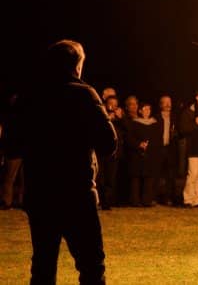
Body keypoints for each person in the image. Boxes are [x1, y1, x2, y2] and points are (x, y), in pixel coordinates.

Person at [6, 40, 117, 283]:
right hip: (77, 193)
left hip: (40, 193)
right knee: (91, 266)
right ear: (77, 66)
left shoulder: (29, 96)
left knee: (43, 265)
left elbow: (11, 145)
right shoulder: (84, 94)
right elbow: (108, 144)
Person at [124, 102, 161, 207]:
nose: (147, 111)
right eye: (145, 109)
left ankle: (147, 200)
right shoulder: (134, 123)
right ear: (140, 111)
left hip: (150, 153)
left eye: (149, 109)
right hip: (137, 154)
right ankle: (135, 200)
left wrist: (150, 145)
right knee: (136, 178)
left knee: (148, 178)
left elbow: (158, 138)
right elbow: (129, 138)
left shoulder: (154, 123)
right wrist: (139, 144)